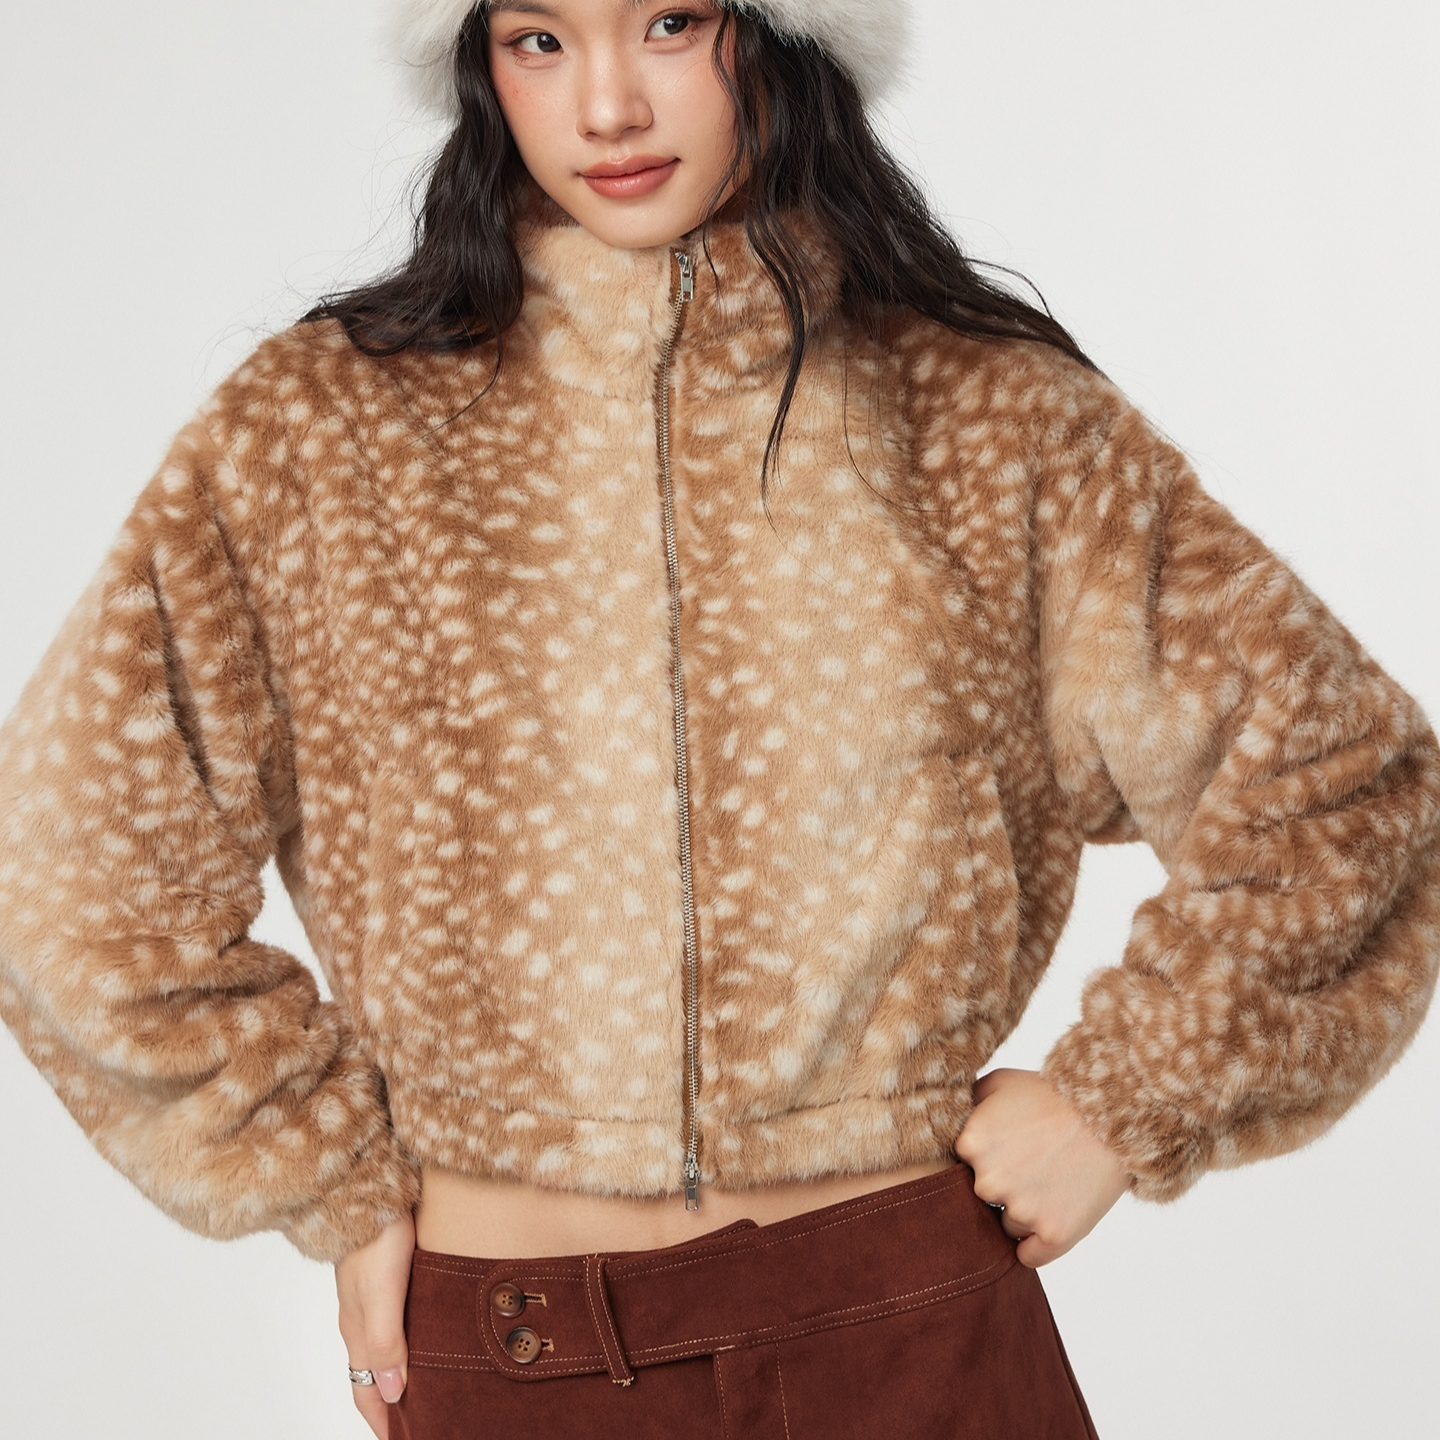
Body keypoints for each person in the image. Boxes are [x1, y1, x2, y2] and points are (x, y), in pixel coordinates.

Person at [0, 1, 1435, 1437]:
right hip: (521, 1363)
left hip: (910, 1335)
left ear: (779, 32)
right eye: (539, 39)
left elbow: (1351, 788)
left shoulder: (986, 415)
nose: (606, 106)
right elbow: (67, 862)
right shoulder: (322, 429)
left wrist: (1121, 1101)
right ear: (479, 61)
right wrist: (329, 1177)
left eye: (670, 22)